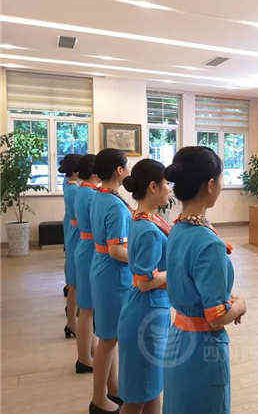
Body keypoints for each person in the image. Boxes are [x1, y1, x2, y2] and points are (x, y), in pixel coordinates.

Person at [163, 146, 247, 414]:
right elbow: (215, 317)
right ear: (211, 185)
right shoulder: (208, 243)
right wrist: (239, 305)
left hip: (178, 338)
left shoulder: (177, 228)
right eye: (220, 180)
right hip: (203, 350)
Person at [118, 159, 171, 414]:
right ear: (153, 187)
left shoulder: (142, 218)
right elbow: (145, 281)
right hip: (146, 313)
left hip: (148, 309)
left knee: (150, 388)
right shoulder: (148, 229)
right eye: (166, 183)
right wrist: (177, 272)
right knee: (138, 395)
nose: (169, 188)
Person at [89, 148, 132, 414]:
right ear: (118, 170)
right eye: (126, 166)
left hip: (103, 269)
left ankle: (113, 387)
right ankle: (98, 399)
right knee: (107, 340)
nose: (128, 170)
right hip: (112, 275)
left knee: (110, 336)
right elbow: (117, 250)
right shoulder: (114, 205)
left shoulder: (100, 195)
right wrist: (141, 259)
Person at [73, 154, 100, 374]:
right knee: (88, 309)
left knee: (86, 308)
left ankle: (87, 353)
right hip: (91, 248)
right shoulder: (91, 194)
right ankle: (84, 358)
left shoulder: (82, 190)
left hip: (85, 246)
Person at [59, 153, 82, 340]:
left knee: (73, 274)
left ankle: (72, 317)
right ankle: (72, 322)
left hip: (71, 227)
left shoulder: (69, 183)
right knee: (75, 280)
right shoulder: (75, 189)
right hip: (76, 230)